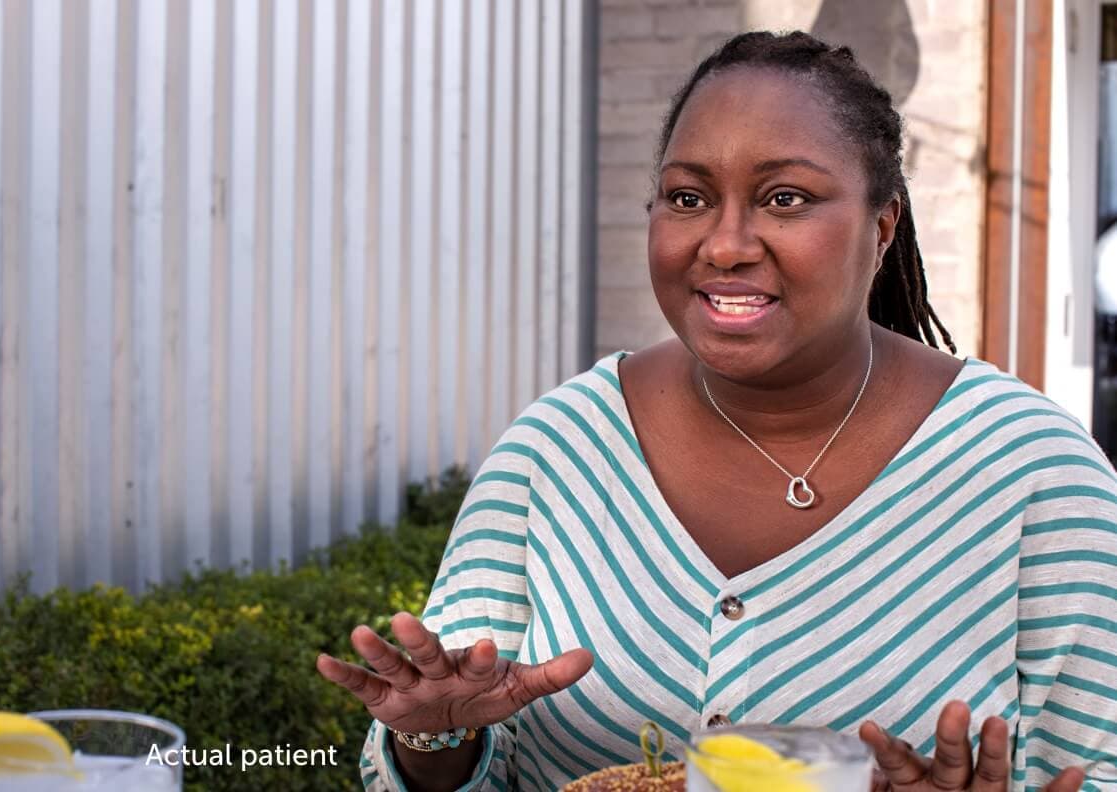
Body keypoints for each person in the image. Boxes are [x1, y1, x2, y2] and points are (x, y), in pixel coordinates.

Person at [317, 32, 1117, 792]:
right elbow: (445, 759)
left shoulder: (1033, 472)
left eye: (785, 198)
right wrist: (435, 738)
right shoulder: (557, 449)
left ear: (883, 227)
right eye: (688, 196)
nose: (725, 244)